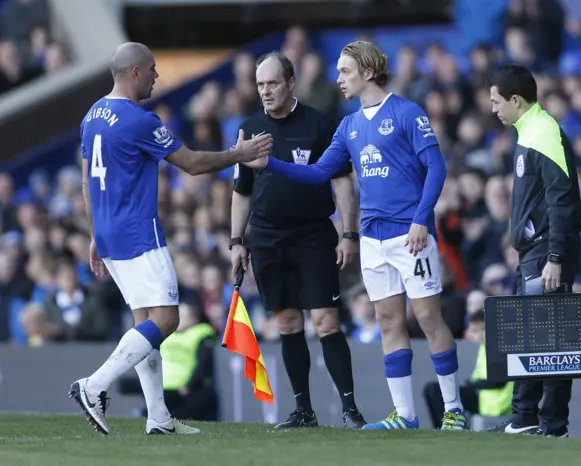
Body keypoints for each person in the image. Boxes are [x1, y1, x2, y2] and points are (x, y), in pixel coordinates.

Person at [244, 41, 467, 431]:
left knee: (430, 319)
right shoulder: (349, 125)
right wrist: (270, 164)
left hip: (410, 234)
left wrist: (420, 220)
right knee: (387, 322)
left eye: (345, 71)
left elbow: (436, 169)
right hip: (373, 238)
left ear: (366, 72)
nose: (338, 79)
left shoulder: (406, 113)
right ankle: (406, 415)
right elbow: (319, 174)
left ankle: (453, 409)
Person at [69, 42, 272, 436]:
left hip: (109, 234)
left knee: (144, 323)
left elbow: (85, 181)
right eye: (152, 69)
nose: (157, 76)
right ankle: (93, 386)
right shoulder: (138, 120)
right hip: (137, 233)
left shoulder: (91, 115)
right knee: (166, 319)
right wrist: (238, 153)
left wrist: (95, 234)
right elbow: (193, 164)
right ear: (134, 74)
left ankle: (158, 417)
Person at [230, 51, 366, 429]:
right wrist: (236, 240)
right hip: (268, 239)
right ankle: (303, 410)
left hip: (312, 235)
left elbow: (342, 182)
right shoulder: (251, 127)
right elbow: (241, 190)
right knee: (288, 323)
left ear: (291, 83)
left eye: (272, 83)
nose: (265, 91)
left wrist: (349, 232)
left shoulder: (320, 124)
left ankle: (350, 409)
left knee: (325, 321)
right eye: (260, 84)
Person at [487, 65, 581, 437]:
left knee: (552, 339)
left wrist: (556, 257)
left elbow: (562, 202)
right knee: (529, 335)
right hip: (535, 252)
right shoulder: (529, 131)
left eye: (496, 101)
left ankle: (553, 423)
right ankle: (524, 418)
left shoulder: (544, 134)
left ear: (515, 100)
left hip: (546, 255)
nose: (493, 108)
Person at [423, 310, 513, 429]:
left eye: (482, 329)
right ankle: (442, 427)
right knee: (432, 389)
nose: (479, 334)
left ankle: (450, 427)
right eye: (474, 330)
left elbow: (498, 380)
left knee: (435, 390)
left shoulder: (501, 347)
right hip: (484, 397)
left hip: (496, 403)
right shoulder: (484, 347)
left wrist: (474, 384)